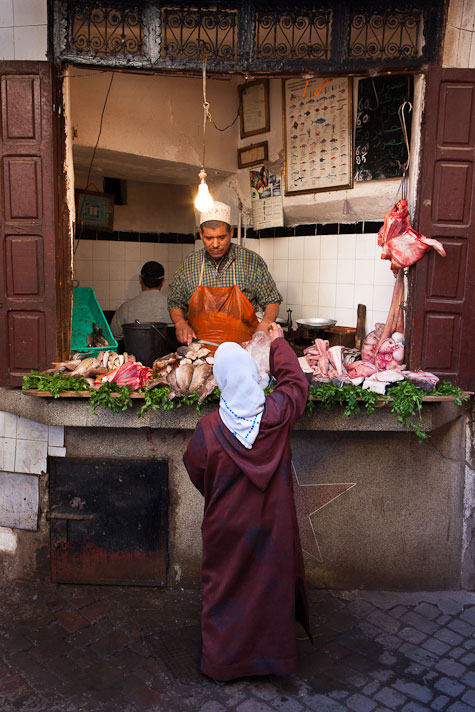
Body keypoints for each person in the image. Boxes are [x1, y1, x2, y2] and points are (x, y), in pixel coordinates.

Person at [183, 323, 312, 683]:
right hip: (273, 526)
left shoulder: (209, 428)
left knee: (225, 589)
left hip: (226, 526)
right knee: (270, 587)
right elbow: (295, 384)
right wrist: (279, 343)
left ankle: (224, 663)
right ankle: (273, 658)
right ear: (253, 375)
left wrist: (221, 496)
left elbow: (196, 469)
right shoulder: (277, 414)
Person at [167, 201, 282, 346]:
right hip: (199, 352)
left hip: (244, 351)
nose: (215, 244)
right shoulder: (189, 265)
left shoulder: (251, 261)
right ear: (201, 234)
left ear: (231, 233)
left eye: (221, 237)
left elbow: (272, 300)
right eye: (209, 238)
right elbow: (175, 302)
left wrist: (266, 322)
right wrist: (180, 323)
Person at [110, 261, 168, 341]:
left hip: (134, 353)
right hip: (173, 353)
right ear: (163, 281)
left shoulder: (126, 308)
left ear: (140, 279)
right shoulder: (176, 308)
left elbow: (113, 336)